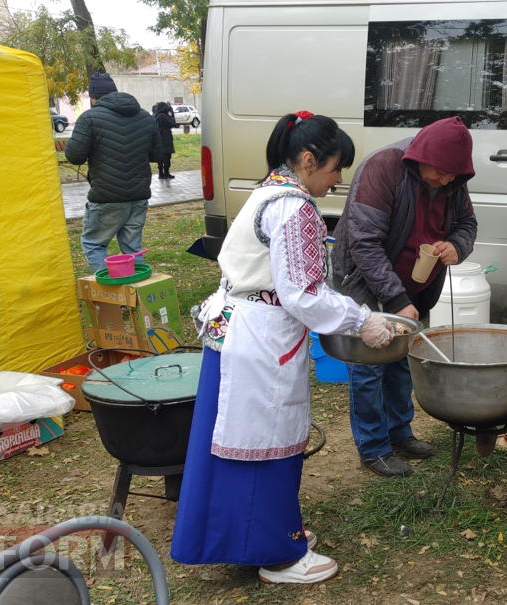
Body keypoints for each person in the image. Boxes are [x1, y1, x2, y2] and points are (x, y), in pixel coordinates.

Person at [170, 112, 395, 584]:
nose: (338, 181)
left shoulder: (267, 190)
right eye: (335, 169)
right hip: (259, 340)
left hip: (238, 331)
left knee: (237, 445)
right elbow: (303, 293)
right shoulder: (294, 208)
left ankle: (261, 534)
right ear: (309, 160)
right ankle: (277, 553)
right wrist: (363, 319)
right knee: (265, 445)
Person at [330, 116, 478, 478]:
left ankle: (400, 432)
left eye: (453, 177)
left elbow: (467, 225)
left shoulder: (452, 178)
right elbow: (364, 244)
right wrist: (395, 300)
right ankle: (373, 447)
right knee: (369, 365)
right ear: (421, 156)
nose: (445, 181)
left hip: (412, 286)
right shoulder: (383, 169)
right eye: (441, 173)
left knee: (401, 359)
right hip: (363, 280)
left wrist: (456, 246)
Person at [64, 73, 163, 273]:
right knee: (133, 248)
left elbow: (74, 157)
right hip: (138, 195)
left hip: (106, 196)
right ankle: (136, 294)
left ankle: (111, 294)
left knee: (94, 244)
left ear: (93, 97)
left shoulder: (89, 118)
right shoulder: (145, 117)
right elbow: (158, 154)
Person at [153, 102, 176, 180]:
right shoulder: (163, 116)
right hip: (165, 138)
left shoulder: (157, 115)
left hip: (160, 138)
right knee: (167, 156)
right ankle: (166, 173)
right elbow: (172, 124)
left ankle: (161, 173)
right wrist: (172, 114)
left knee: (161, 157)